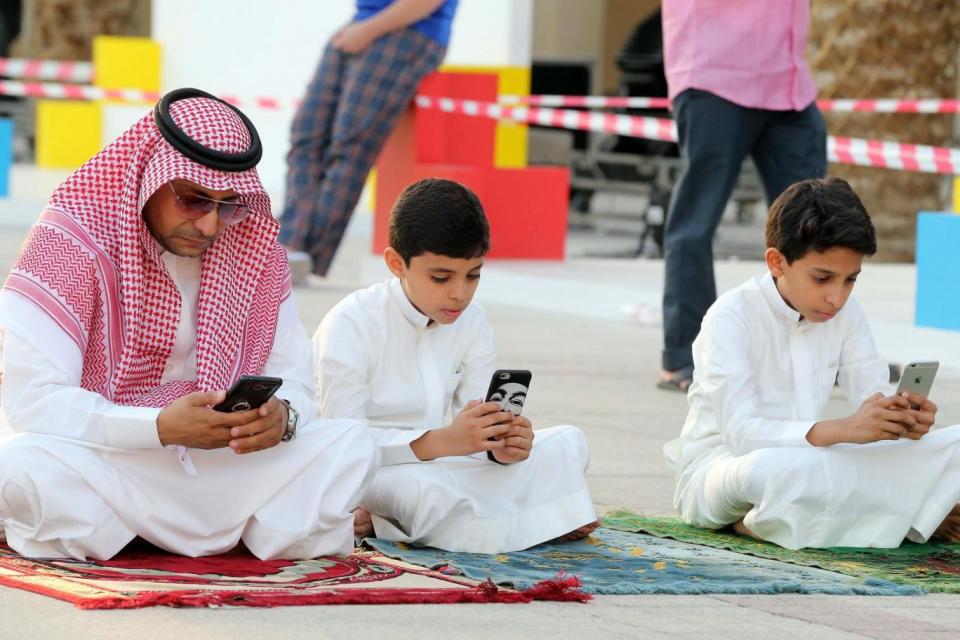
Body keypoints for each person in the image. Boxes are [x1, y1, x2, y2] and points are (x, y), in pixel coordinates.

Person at [0, 88, 378, 561]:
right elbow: (33, 403)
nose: (210, 226)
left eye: (228, 205)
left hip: (221, 461)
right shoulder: (68, 246)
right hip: (109, 456)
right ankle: (237, 533)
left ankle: (131, 535)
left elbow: (296, 380)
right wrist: (158, 427)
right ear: (148, 177)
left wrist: (283, 419)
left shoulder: (254, 255)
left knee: (350, 444)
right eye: (194, 200)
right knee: (20, 465)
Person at [663, 178, 960, 550]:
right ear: (777, 262)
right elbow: (741, 435)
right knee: (773, 472)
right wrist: (846, 429)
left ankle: (873, 513)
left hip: (818, 464)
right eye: (822, 278)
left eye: (850, 280)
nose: (837, 297)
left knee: (954, 445)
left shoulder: (846, 313)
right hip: (725, 471)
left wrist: (898, 418)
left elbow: (873, 394)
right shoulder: (729, 317)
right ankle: (912, 517)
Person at [313, 178, 599, 553]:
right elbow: (341, 446)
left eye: (473, 275)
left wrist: (502, 445)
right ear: (397, 264)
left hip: (450, 461)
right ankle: (544, 519)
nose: (459, 293)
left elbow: (478, 423)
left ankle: (515, 521)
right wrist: (439, 442)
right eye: (441, 277)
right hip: (377, 473)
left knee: (567, 442)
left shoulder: (472, 320)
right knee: (424, 493)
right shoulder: (351, 323)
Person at [657, 0, 828, 391]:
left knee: (818, 221)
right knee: (696, 221)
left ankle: (825, 351)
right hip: (715, 72)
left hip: (789, 82)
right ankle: (687, 356)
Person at [280, 0, 457, 282]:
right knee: (306, 134)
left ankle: (302, 251)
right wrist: (361, 29)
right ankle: (287, 241)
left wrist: (368, 31)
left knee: (350, 143)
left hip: (409, 31)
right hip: (360, 24)